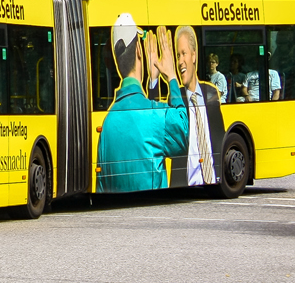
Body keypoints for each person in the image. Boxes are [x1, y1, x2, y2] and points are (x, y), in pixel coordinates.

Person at [95, 17, 189, 193]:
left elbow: (101, 190)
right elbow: (183, 132)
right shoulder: (153, 115)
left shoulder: (106, 125)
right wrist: (172, 77)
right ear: (139, 51)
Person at [170, 26, 224, 188]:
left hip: (213, 175)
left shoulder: (211, 94)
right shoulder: (176, 97)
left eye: (184, 53)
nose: (180, 61)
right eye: (177, 55)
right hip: (185, 180)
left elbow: (220, 138)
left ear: (194, 55)